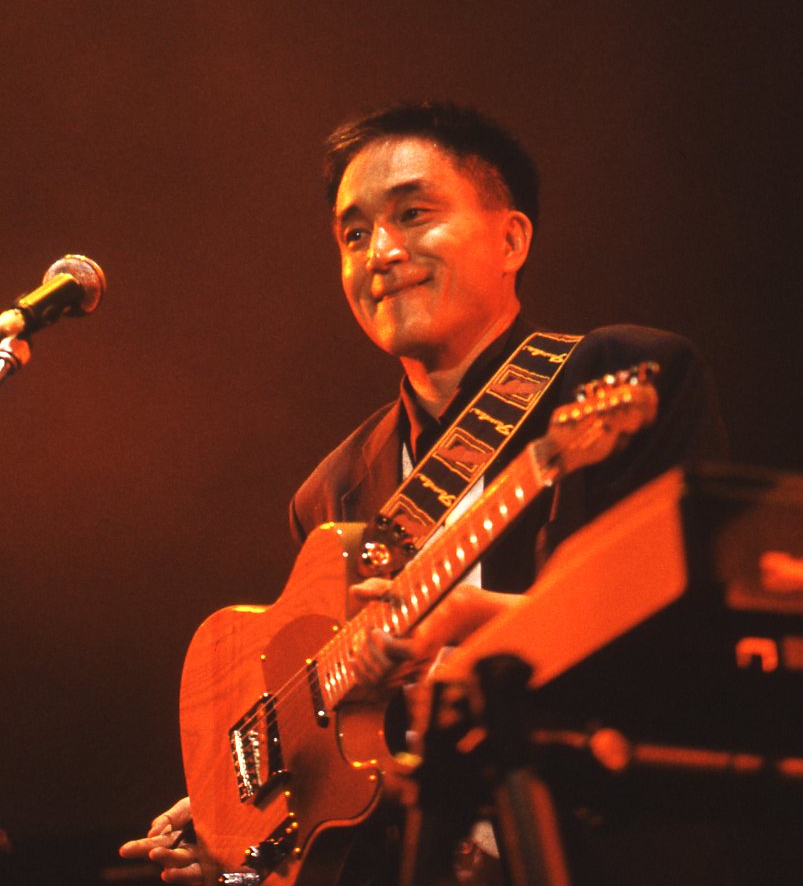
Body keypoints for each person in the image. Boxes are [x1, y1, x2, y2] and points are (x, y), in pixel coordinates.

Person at [120, 101, 727, 884]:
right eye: (354, 233)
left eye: (413, 214)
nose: (381, 251)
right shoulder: (332, 492)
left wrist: (480, 628)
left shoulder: (617, 373)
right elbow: (340, 749)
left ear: (510, 239)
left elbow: (681, 631)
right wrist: (240, 827)